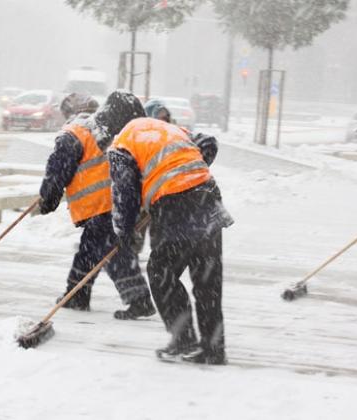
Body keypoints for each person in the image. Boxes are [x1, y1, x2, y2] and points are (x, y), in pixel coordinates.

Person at [104, 91, 233, 365]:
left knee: (161, 274)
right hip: (208, 197)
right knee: (206, 280)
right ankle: (213, 348)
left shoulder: (122, 142)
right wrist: (187, 171)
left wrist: (125, 232)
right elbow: (208, 142)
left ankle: (183, 339)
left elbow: (124, 192)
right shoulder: (166, 127)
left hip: (176, 207)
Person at [38, 92, 156, 320]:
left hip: (99, 204)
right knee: (90, 251)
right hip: (117, 200)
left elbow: (57, 169)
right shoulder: (105, 129)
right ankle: (77, 294)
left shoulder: (72, 133)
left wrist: (48, 198)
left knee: (115, 255)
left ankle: (138, 299)